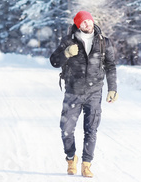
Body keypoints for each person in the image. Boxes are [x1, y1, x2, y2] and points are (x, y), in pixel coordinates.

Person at [50, 10, 118, 178]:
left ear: (92, 20)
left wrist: (112, 88)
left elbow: (110, 66)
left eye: (88, 21)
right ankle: (71, 158)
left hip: (94, 92)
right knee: (66, 129)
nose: (87, 24)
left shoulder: (104, 42)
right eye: (83, 22)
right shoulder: (68, 41)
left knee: (91, 129)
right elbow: (54, 61)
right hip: (73, 92)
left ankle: (86, 165)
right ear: (78, 25)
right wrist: (65, 54)